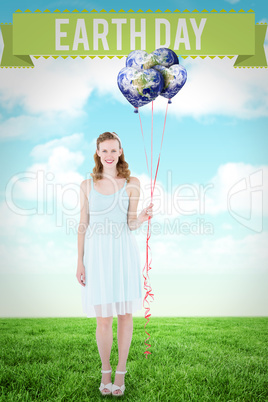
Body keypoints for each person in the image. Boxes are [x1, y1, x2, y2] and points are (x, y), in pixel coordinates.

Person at [76, 131, 153, 397]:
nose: (109, 155)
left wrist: (141, 217)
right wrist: (80, 262)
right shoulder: (87, 185)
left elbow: (130, 223)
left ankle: (121, 371)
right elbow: (82, 225)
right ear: (98, 153)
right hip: (96, 255)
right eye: (104, 150)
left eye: (114, 150)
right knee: (103, 318)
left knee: (124, 314)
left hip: (122, 252)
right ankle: (105, 370)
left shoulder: (133, 183)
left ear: (120, 152)